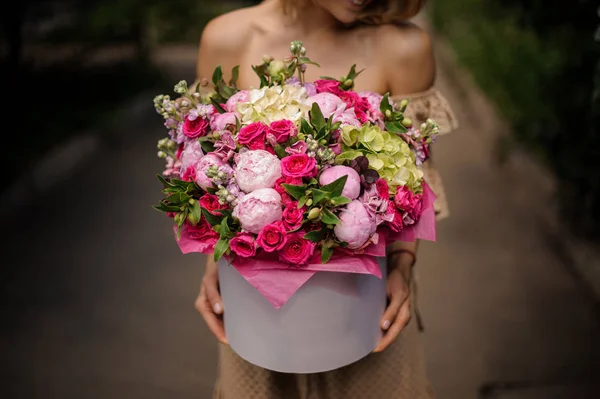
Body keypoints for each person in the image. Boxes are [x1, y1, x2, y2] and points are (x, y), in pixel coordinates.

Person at [194, 0, 458, 397]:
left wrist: (403, 266)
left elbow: (414, 180)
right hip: (254, 311)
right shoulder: (226, 39)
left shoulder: (403, 48)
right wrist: (213, 269)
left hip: (366, 309)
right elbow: (207, 174)